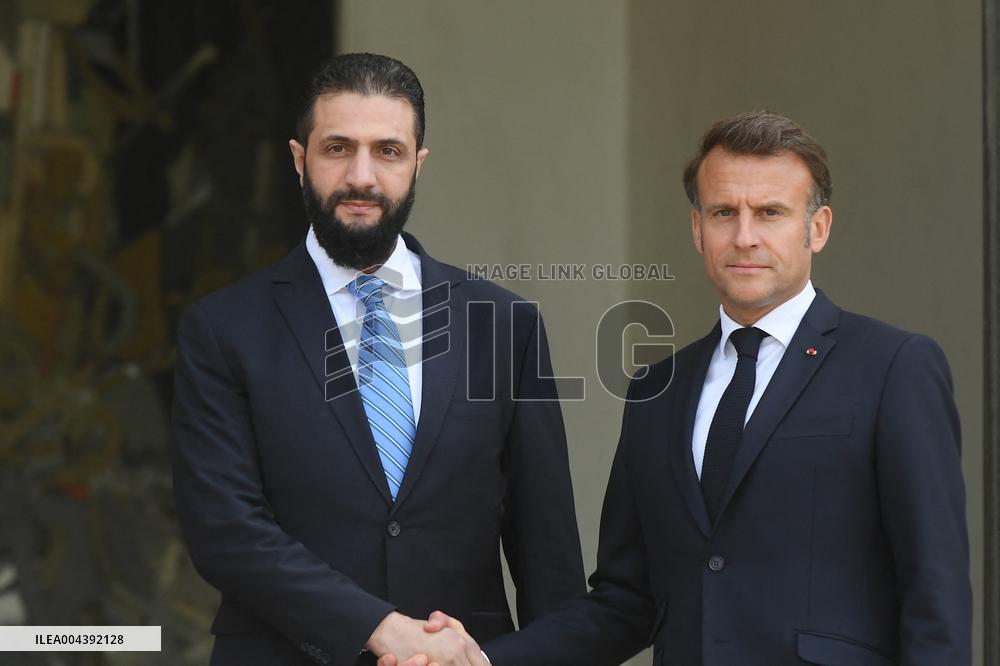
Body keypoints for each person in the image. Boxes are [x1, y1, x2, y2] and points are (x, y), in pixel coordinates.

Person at [386, 110, 972, 665]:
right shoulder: (657, 388)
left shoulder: (894, 366)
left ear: (816, 228)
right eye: (723, 213)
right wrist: (486, 658)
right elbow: (626, 600)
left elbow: (934, 588)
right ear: (697, 228)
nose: (744, 236)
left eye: (770, 213)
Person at [170, 52, 585, 666]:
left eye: (387, 152)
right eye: (338, 148)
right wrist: (380, 627)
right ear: (298, 159)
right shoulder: (222, 329)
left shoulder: (503, 324)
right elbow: (227, 532)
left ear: (417, 165)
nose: (361, 176)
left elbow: (547, 551)